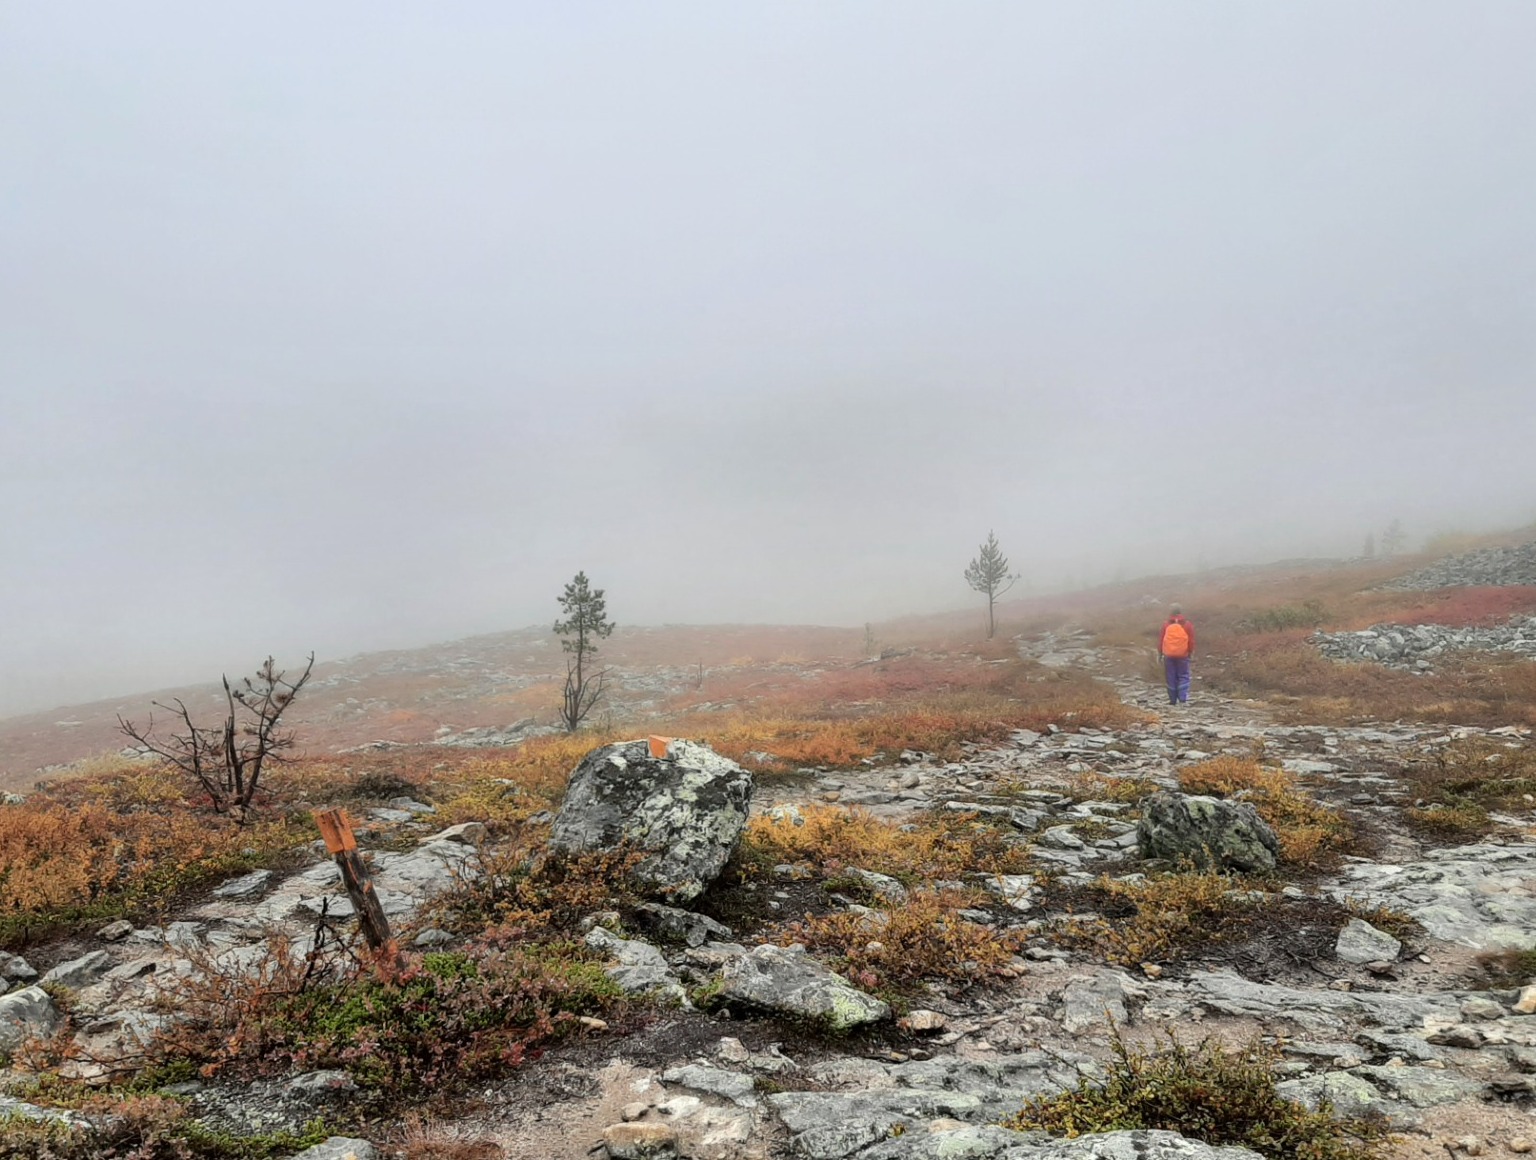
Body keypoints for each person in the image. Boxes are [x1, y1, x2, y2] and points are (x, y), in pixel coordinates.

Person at [1158, 604, 1195, 705]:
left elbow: (1161, 640)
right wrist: (1190, 652)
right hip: (1183, 655)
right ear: (1180, 612)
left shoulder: (1166, 625)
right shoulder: (1187, 624)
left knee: (1171, 676)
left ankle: (1172, 700)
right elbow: (1191, 641)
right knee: (1183, 675)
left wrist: (1160, 653)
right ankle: (1182, 698)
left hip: (1168, 655)